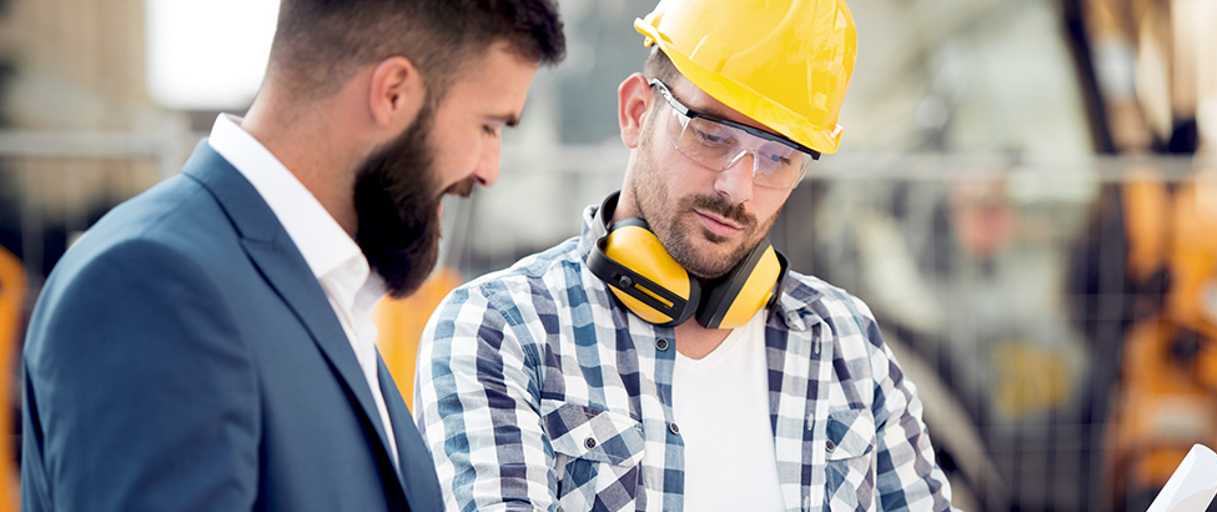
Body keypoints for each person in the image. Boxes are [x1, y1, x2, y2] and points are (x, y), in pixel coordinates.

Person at [413, 0, 957, 510]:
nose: (737, 188)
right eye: (712, 135)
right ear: (634, 112)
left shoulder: (845, 341)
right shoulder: (498, 331)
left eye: (779, 157)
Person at [20, 1, 564, 510]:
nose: (489, 169)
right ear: (393, 92)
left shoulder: (322, 291)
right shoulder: (151, 287)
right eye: (488, 126)